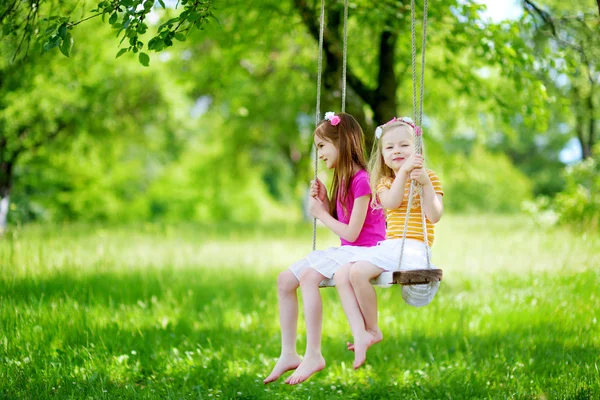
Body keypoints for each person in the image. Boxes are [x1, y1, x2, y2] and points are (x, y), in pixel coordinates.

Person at [264, 112, 385, 385]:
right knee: (285, 280)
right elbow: (345, 222)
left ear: (342, 143)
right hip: (350, 249)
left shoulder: (362, 180)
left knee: (308, 277)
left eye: (321, 146)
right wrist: (327, 200)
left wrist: (321, 214)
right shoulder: (342, 179)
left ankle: (314, 354)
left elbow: (353, 234)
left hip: (365, 251)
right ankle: (288, 353)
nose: (318, 154)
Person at [334, 117, 444, 369]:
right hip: (392, 247)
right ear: (383, 156)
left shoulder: (430, 178)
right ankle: (370, 329)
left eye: (404, 145)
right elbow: (392, 203)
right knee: (352, 272)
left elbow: (434, 215)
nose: (397, 151)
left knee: (358, 271)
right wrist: (404, 174)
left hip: (416, 249)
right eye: (390, 147)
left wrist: (425, 183)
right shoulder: (384, 183)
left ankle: (370, 330)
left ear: (417, 150)